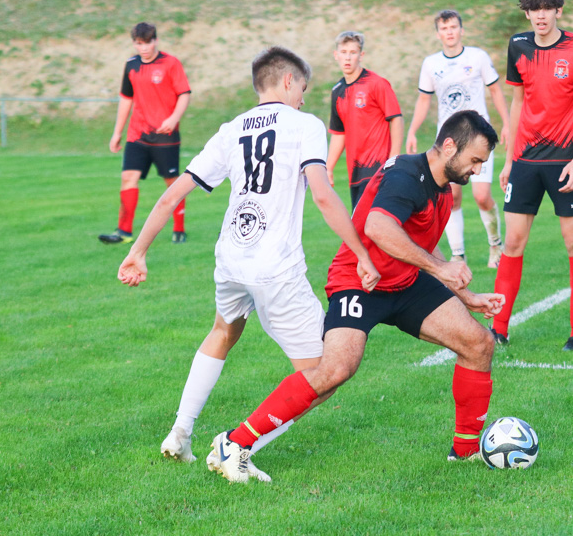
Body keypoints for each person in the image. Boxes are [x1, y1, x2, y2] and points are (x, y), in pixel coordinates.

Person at [207, 110, 506, 484]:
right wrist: (441, 270)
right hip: (360, 281)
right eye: (475, 159)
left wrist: (467, 296)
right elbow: (377, 226)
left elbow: (423, 246)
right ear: (449, 146)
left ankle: (464, 454)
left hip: (405, 280)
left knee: (478, 343)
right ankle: (232, 444)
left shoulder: (442, 186)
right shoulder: (407, 176)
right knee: (334, 371)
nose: (477, 169)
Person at [117, 46, 379, 467]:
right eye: (303, 90)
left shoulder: (231, 128)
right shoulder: (305, 125)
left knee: (223, 331)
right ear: (290, 82)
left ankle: (181, 430)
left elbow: (172, 195)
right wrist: (361, 252)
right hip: (275, 268)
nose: (304, 99)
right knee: (326, 373)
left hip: (231, 260)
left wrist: (138, 252)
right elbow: (325, 197)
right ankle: (237, 447)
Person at [491, 0, 573, 351]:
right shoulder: (518, 45)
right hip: (525, 161)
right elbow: (518, 102)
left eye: (547, 8)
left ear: (559, 10)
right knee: (513, 243)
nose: (540, 15)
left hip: (564, 161)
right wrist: (509, 159)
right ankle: (498, 329)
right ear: (527, 12)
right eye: (534, 9)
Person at [406, 10, 510, 269]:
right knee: (451, 197)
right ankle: (458, 254)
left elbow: (495, 90)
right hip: (449, 143)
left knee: (482, 196)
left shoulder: (478, 57)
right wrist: (412, 130)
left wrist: (507, 123)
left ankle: (496, 243)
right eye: (444, 28)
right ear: (438, 33)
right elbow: (423, 99)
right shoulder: (431, 64)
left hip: (477, 139)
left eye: (453, 27)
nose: (449, 32)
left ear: (461, 30)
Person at [100, 22, 192, 245]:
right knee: (127, 178)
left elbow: (184, 94)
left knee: (172, 182)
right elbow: (126, 99)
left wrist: (173, 119)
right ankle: (124, 231)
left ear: (155, 41)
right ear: (134, 44)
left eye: (148, 43)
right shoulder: (131, 65)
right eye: (139, 44)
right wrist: (117, 133)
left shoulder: (170, 63)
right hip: (138, 134)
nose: (144, 48)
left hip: (165, 136)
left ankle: (179, 228)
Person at [327, 31, 404, 209]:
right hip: (355, 174)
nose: (348, 58)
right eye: (344, 52)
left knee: (374, 226)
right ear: (336, 55)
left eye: (353, 53)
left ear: (361, 55)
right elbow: (339, 134)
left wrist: (393, 160)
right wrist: (328, 168)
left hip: (379, 169)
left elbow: (396, 119)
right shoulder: (337, 92)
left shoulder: (376, 84)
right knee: (364, 229)